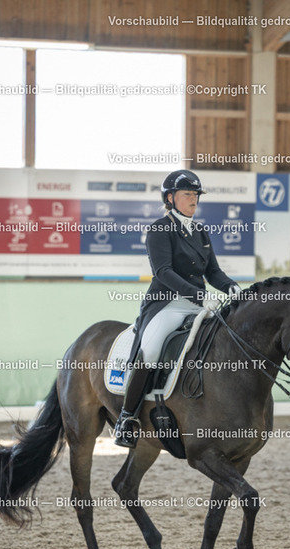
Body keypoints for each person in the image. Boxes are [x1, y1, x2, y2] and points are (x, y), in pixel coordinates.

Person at [114, 169, 241, 448]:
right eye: (187, 194)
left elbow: (213, 272)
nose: (193, 199)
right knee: (152, 349)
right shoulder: (160, 229)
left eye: (196, 194)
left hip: (198, 304)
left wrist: (232, 287)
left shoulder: (200, 231)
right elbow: (163, 272)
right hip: (167, 304)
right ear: (170, 198)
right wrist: (199, 295)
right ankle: (127, 418)